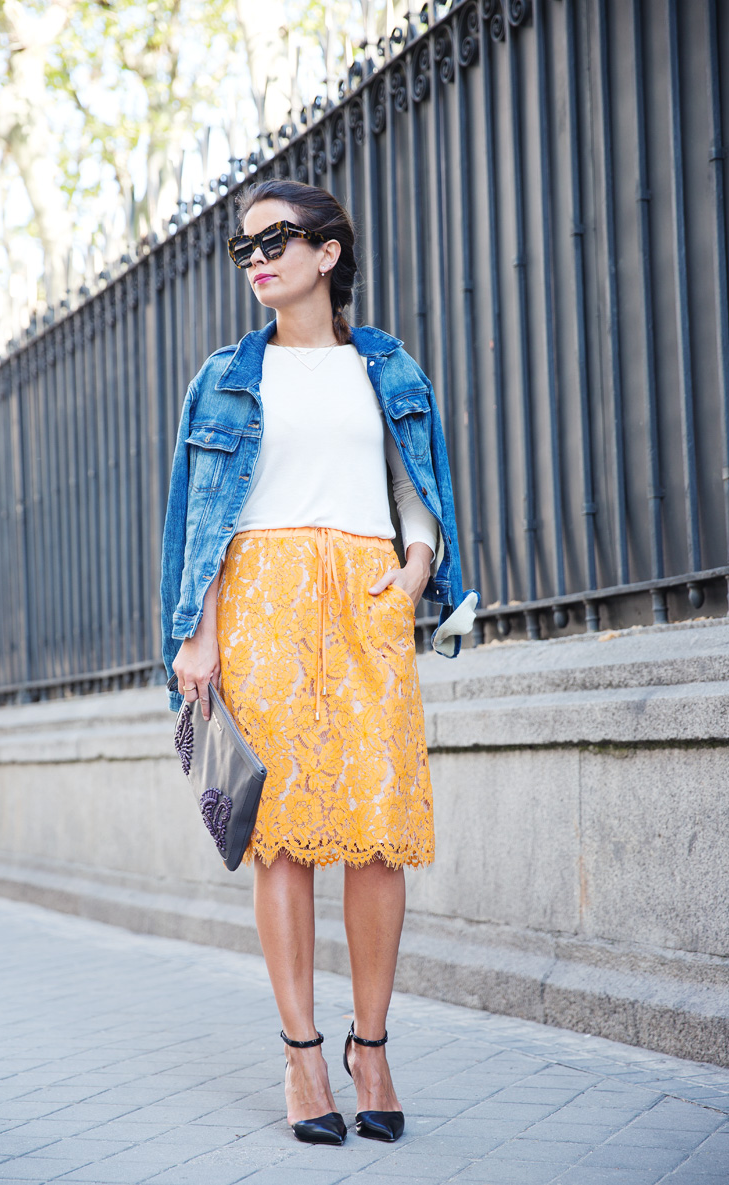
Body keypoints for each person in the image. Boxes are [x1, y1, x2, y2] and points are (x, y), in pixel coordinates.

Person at [160, 179, 477, 1147]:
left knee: (379, 833)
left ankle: (369, 1045)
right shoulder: (223, 374)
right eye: (244, 247)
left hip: (368, 591)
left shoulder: (383, 365)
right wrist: (196, 632)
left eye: (278, 240)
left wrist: (418, 562)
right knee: (283, 836)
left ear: (328, 254)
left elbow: (412, 480)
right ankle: (302, 1054)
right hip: (258, 597)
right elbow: (197, 522)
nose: (258, 258)